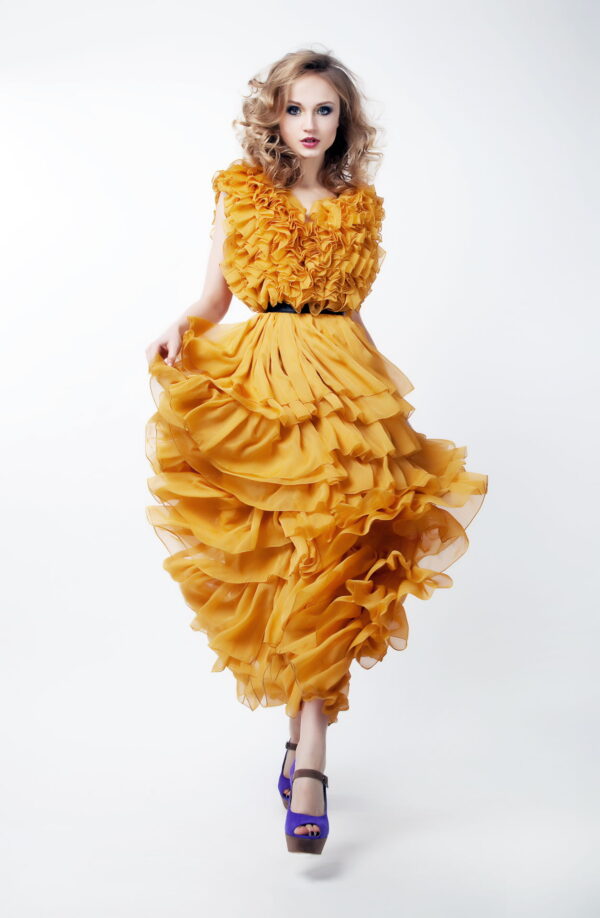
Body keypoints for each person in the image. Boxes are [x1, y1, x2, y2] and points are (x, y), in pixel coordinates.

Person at [144, 49, 488, 855]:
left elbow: (351, 311)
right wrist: (179, 326)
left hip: (342, 383)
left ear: (343, 122)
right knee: (292, 567)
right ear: (274, 114)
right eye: (296, 108)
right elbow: (213, 298)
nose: (309, 124)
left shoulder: (359, 207)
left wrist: (379, 400)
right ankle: (308, 757)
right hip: (265, 385)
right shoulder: (239, 192)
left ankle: (310, 760)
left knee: (335, 565)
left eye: (324, 110)